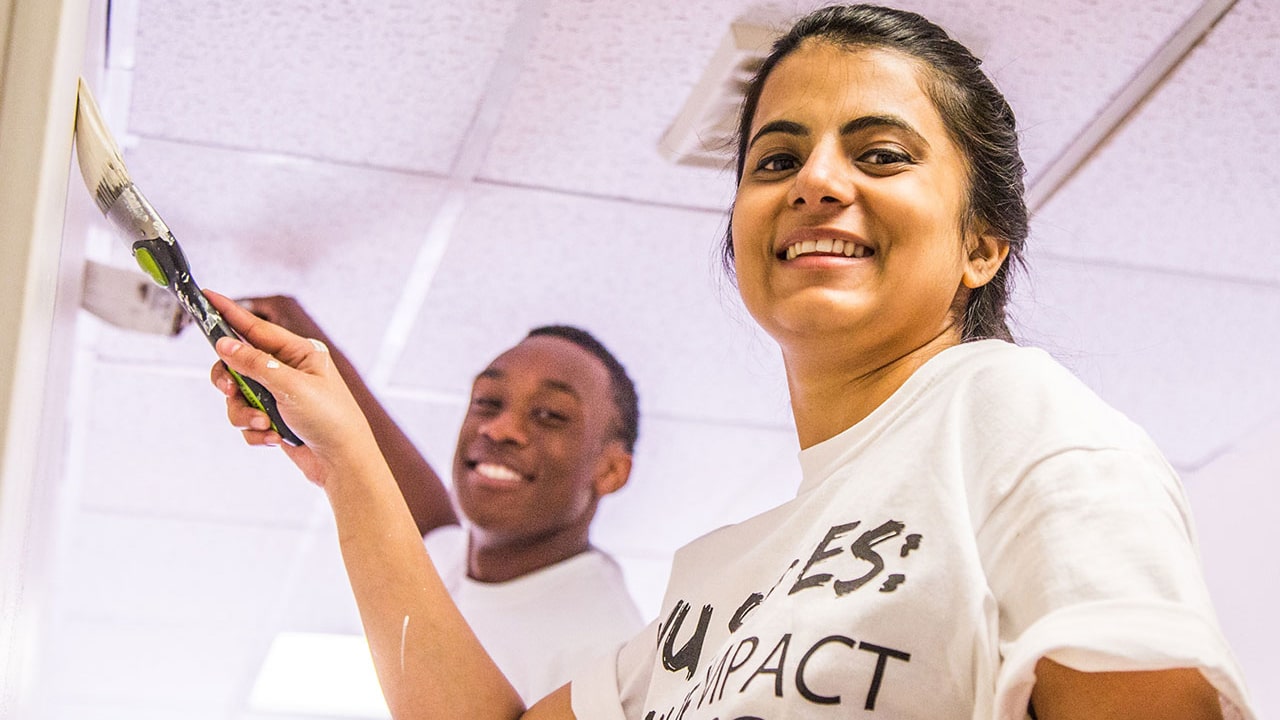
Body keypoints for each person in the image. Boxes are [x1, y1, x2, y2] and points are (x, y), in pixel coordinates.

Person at [206, 4, 1256, 719]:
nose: (816, 182)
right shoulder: (724, 580)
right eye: (777, 157)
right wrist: (347, 461)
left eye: (879, 153)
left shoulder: (1010, 418)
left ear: (981, 244)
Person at [231, 296, 644, 703]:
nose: (500, 429)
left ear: (609, 471)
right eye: (488, 402)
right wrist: (302, 339)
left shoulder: (605, 659)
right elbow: (418, 507)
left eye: (550, 415)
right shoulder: (465, 558)